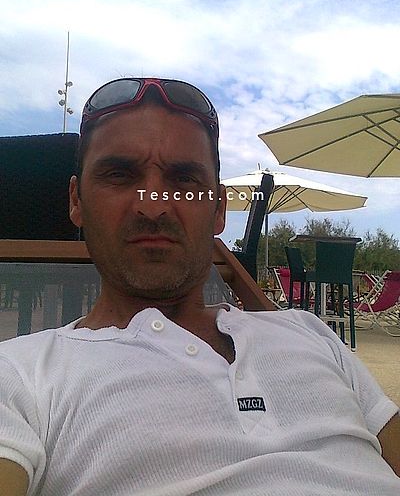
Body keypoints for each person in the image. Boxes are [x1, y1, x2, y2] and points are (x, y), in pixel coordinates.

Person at [0, 78, 399, 496]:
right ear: (76, 200)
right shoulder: (21, 376)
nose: (153, 206)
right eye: (119, 175)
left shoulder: (310, 333)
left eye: (184, 180)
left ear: (219, 210)